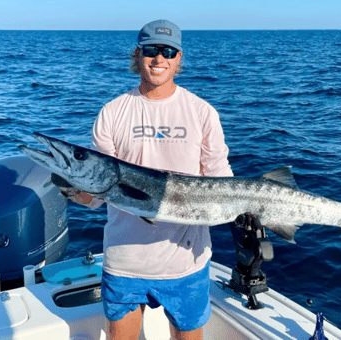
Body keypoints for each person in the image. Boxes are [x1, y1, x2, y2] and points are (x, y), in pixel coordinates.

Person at [73, 19, 233, 340]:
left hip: (187, 263)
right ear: (138, 54)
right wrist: (74, 190)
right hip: (125, 261)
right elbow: (94, 197)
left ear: (178, 58)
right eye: (151, 50)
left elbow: (222, 185)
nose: (159, 58)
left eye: (168, 51)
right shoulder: (113, 112)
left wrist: (248, 214)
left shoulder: (202, 112)